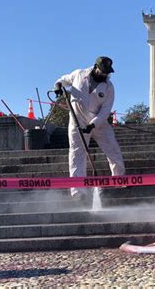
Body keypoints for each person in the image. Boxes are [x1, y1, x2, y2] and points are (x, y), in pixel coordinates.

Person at [54, 56, 125, 202]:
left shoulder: (109, 87)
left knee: (113, 149)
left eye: (108, 72)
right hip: (77, 121)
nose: (106, 75)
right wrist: (58, 86)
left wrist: (93, 124)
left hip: (99, 123)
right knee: (76, 153)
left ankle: (119, 181)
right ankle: (78, 190)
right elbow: (63, 80)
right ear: (95, 67)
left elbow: (106, 110)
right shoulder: (79, 74)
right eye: (103, 71)